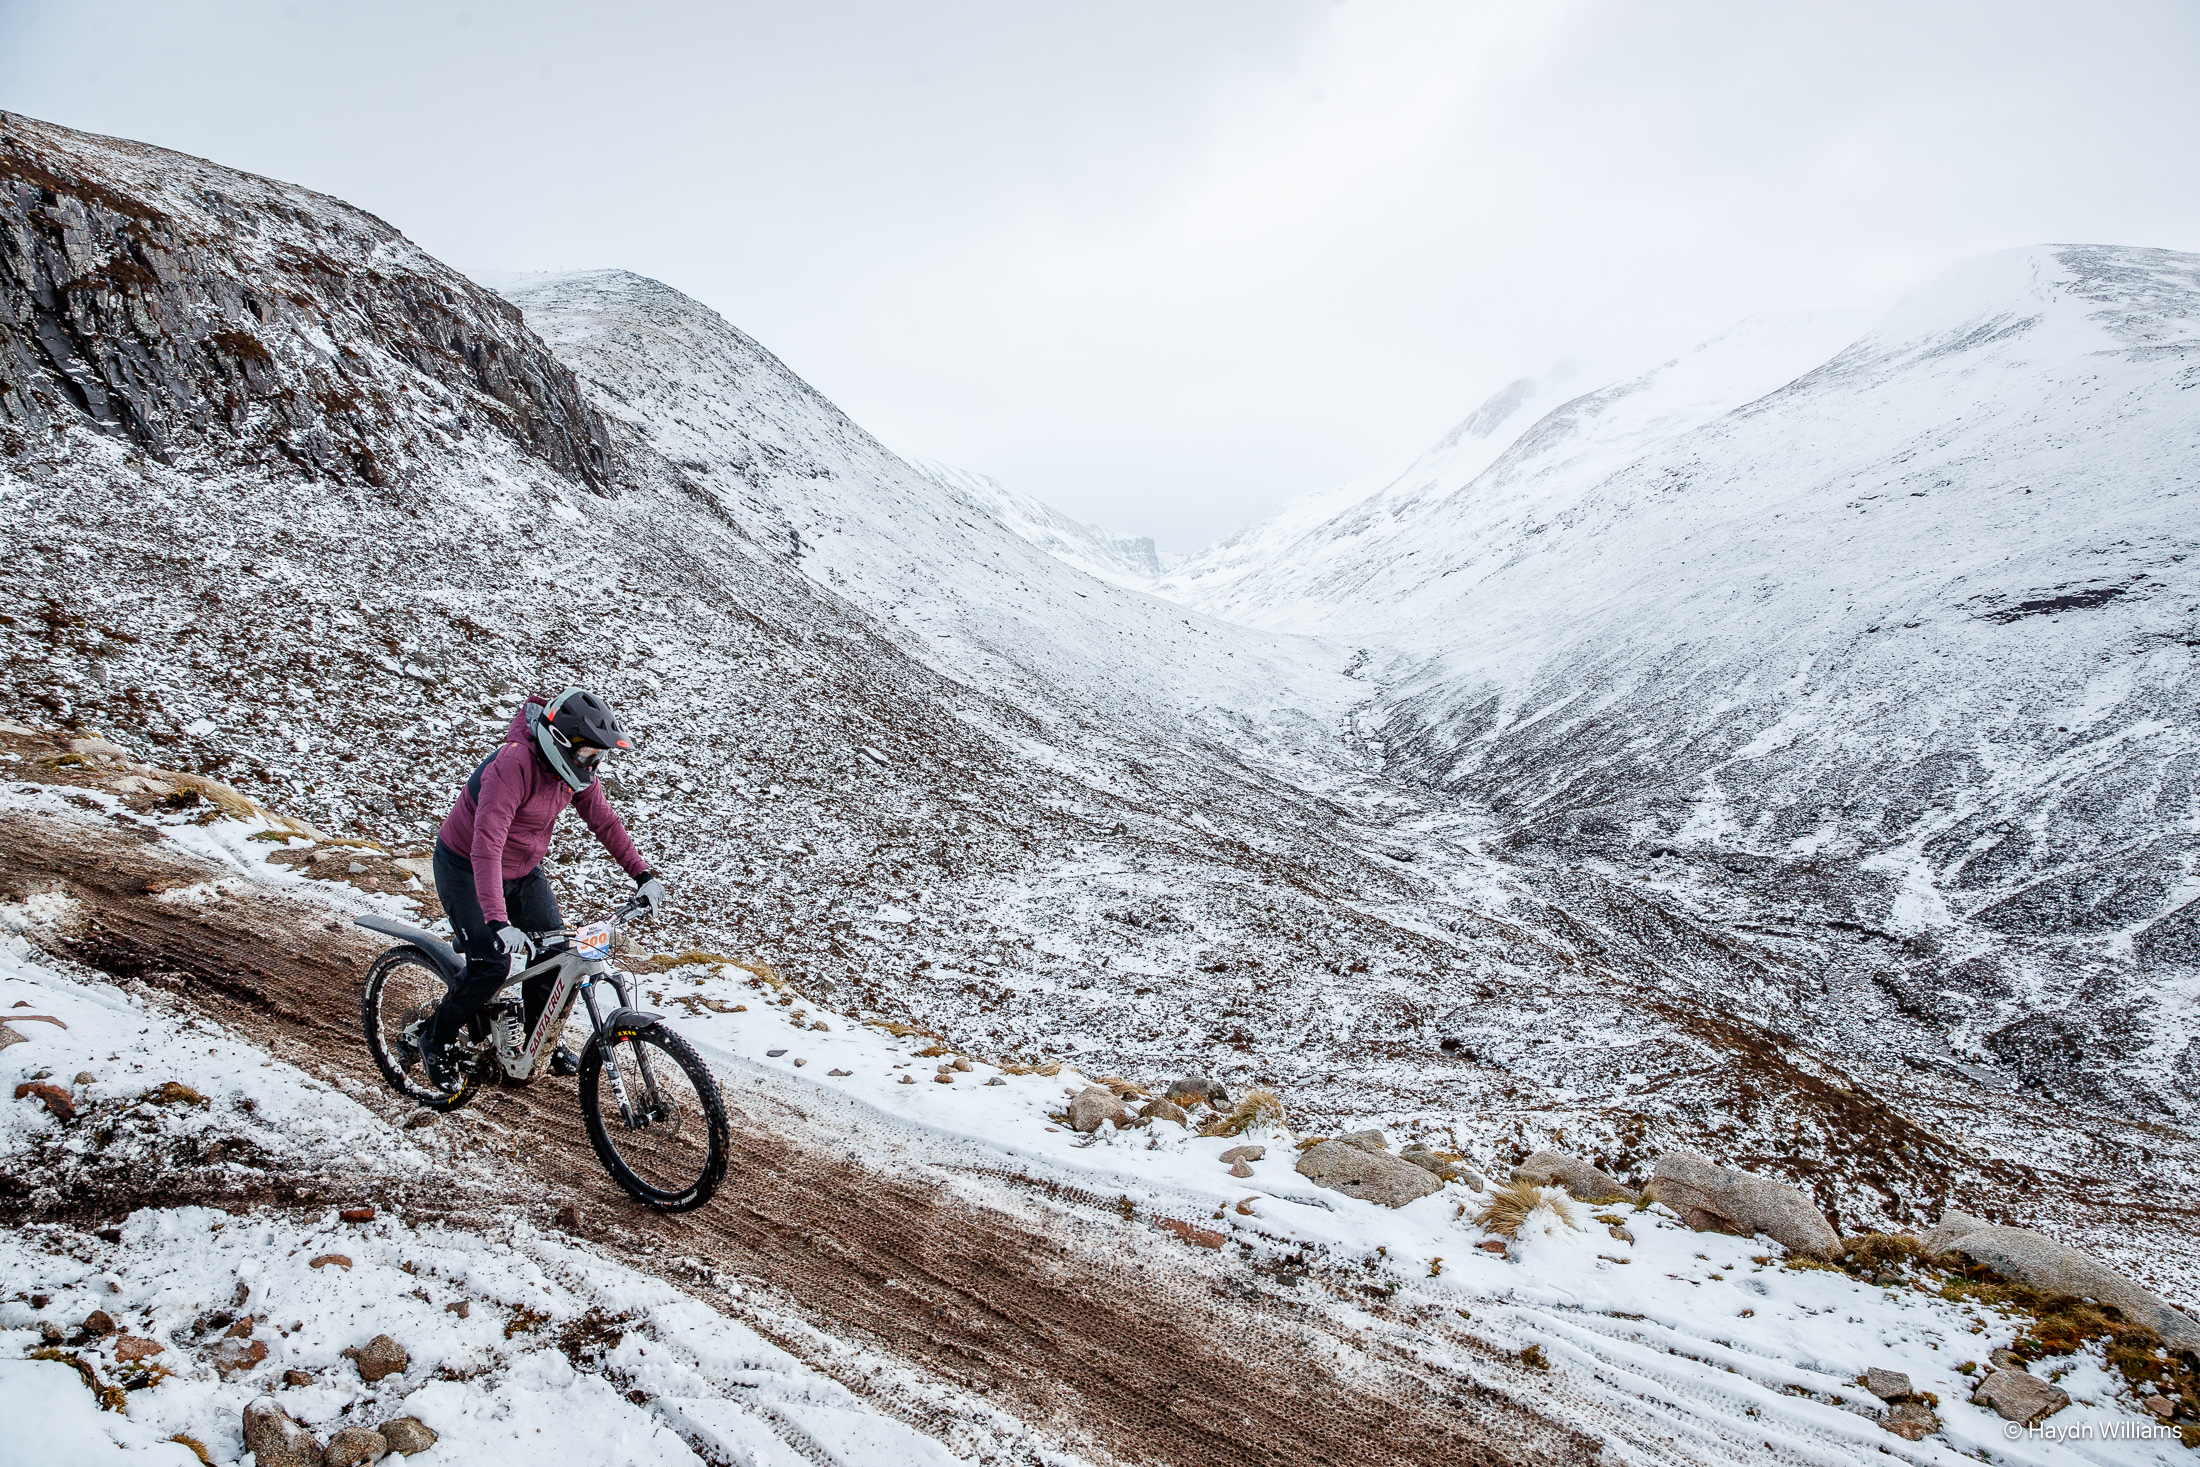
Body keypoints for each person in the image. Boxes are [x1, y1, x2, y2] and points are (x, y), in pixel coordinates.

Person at [416, 687, 666, 1093]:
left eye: (599, 756)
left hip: (523, 868)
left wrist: (642, 874)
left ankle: (537, 1043)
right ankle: (434, 1040)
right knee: (491, 965)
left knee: (555, 954)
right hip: (466, 865)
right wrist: (498, 921)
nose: (594, 764)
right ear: (560, 743)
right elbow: (486, 846)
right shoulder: (512, 766)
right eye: (588, 754)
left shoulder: (574, 774)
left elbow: (605, 822)